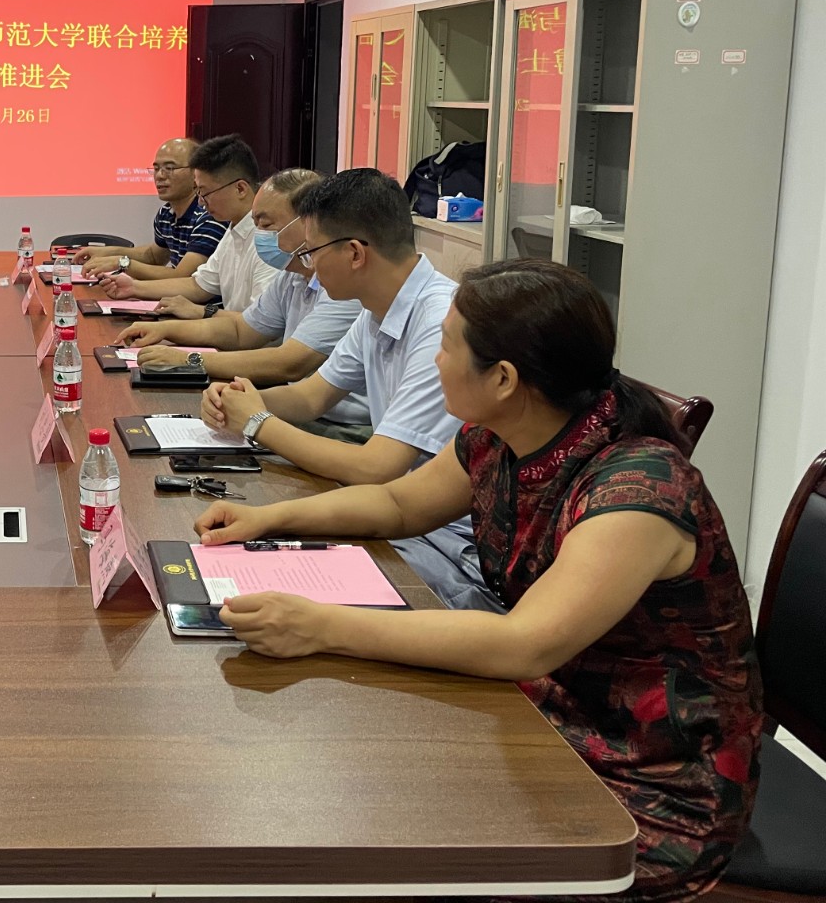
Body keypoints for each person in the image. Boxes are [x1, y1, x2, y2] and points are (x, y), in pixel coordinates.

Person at [192, 259, 762, 903]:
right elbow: (399, 505)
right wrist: (267, 519)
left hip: (649, 780)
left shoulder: (637, 488)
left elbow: (524, 644)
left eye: (446, 346)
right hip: (544, 714)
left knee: (382, 845)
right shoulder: (499, 436)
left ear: (504, 378)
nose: (435, 361)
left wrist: (320, 625)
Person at [199, 168, 496, 611]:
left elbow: (377, 469)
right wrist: (238, 401)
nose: (309, 265)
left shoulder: (440, 324)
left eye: (312, 251)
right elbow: (310, 396)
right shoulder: (377, 308)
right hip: (401, 514)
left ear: (355, 253)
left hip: (450, 545)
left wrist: (257, 422)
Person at [116, 170, 371, 440]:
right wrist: (168, 330)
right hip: (303, 412)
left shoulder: (344, 288)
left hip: (343, 428)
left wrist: (189, 360)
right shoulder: (292, 275)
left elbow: (289, 363)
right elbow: (241, 330)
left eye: (266, 224)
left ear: (308, 223)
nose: (259, 234)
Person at [100, 134, 277, 315]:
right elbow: (198, 285)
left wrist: (201, 312)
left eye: (205, 193)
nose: (201, 202)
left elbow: (259, 323)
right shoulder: (234, 231)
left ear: (240, 189)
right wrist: (133, 287)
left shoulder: (268, 241)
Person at [76, 138, 225, 281]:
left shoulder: (209, 215)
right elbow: (154, 257)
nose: (159, 176)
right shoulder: (166, 213)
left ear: (196, 173)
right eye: (156, 169)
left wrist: (122, 263)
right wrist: (105, 253)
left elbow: (183, 277)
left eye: (170, 168)